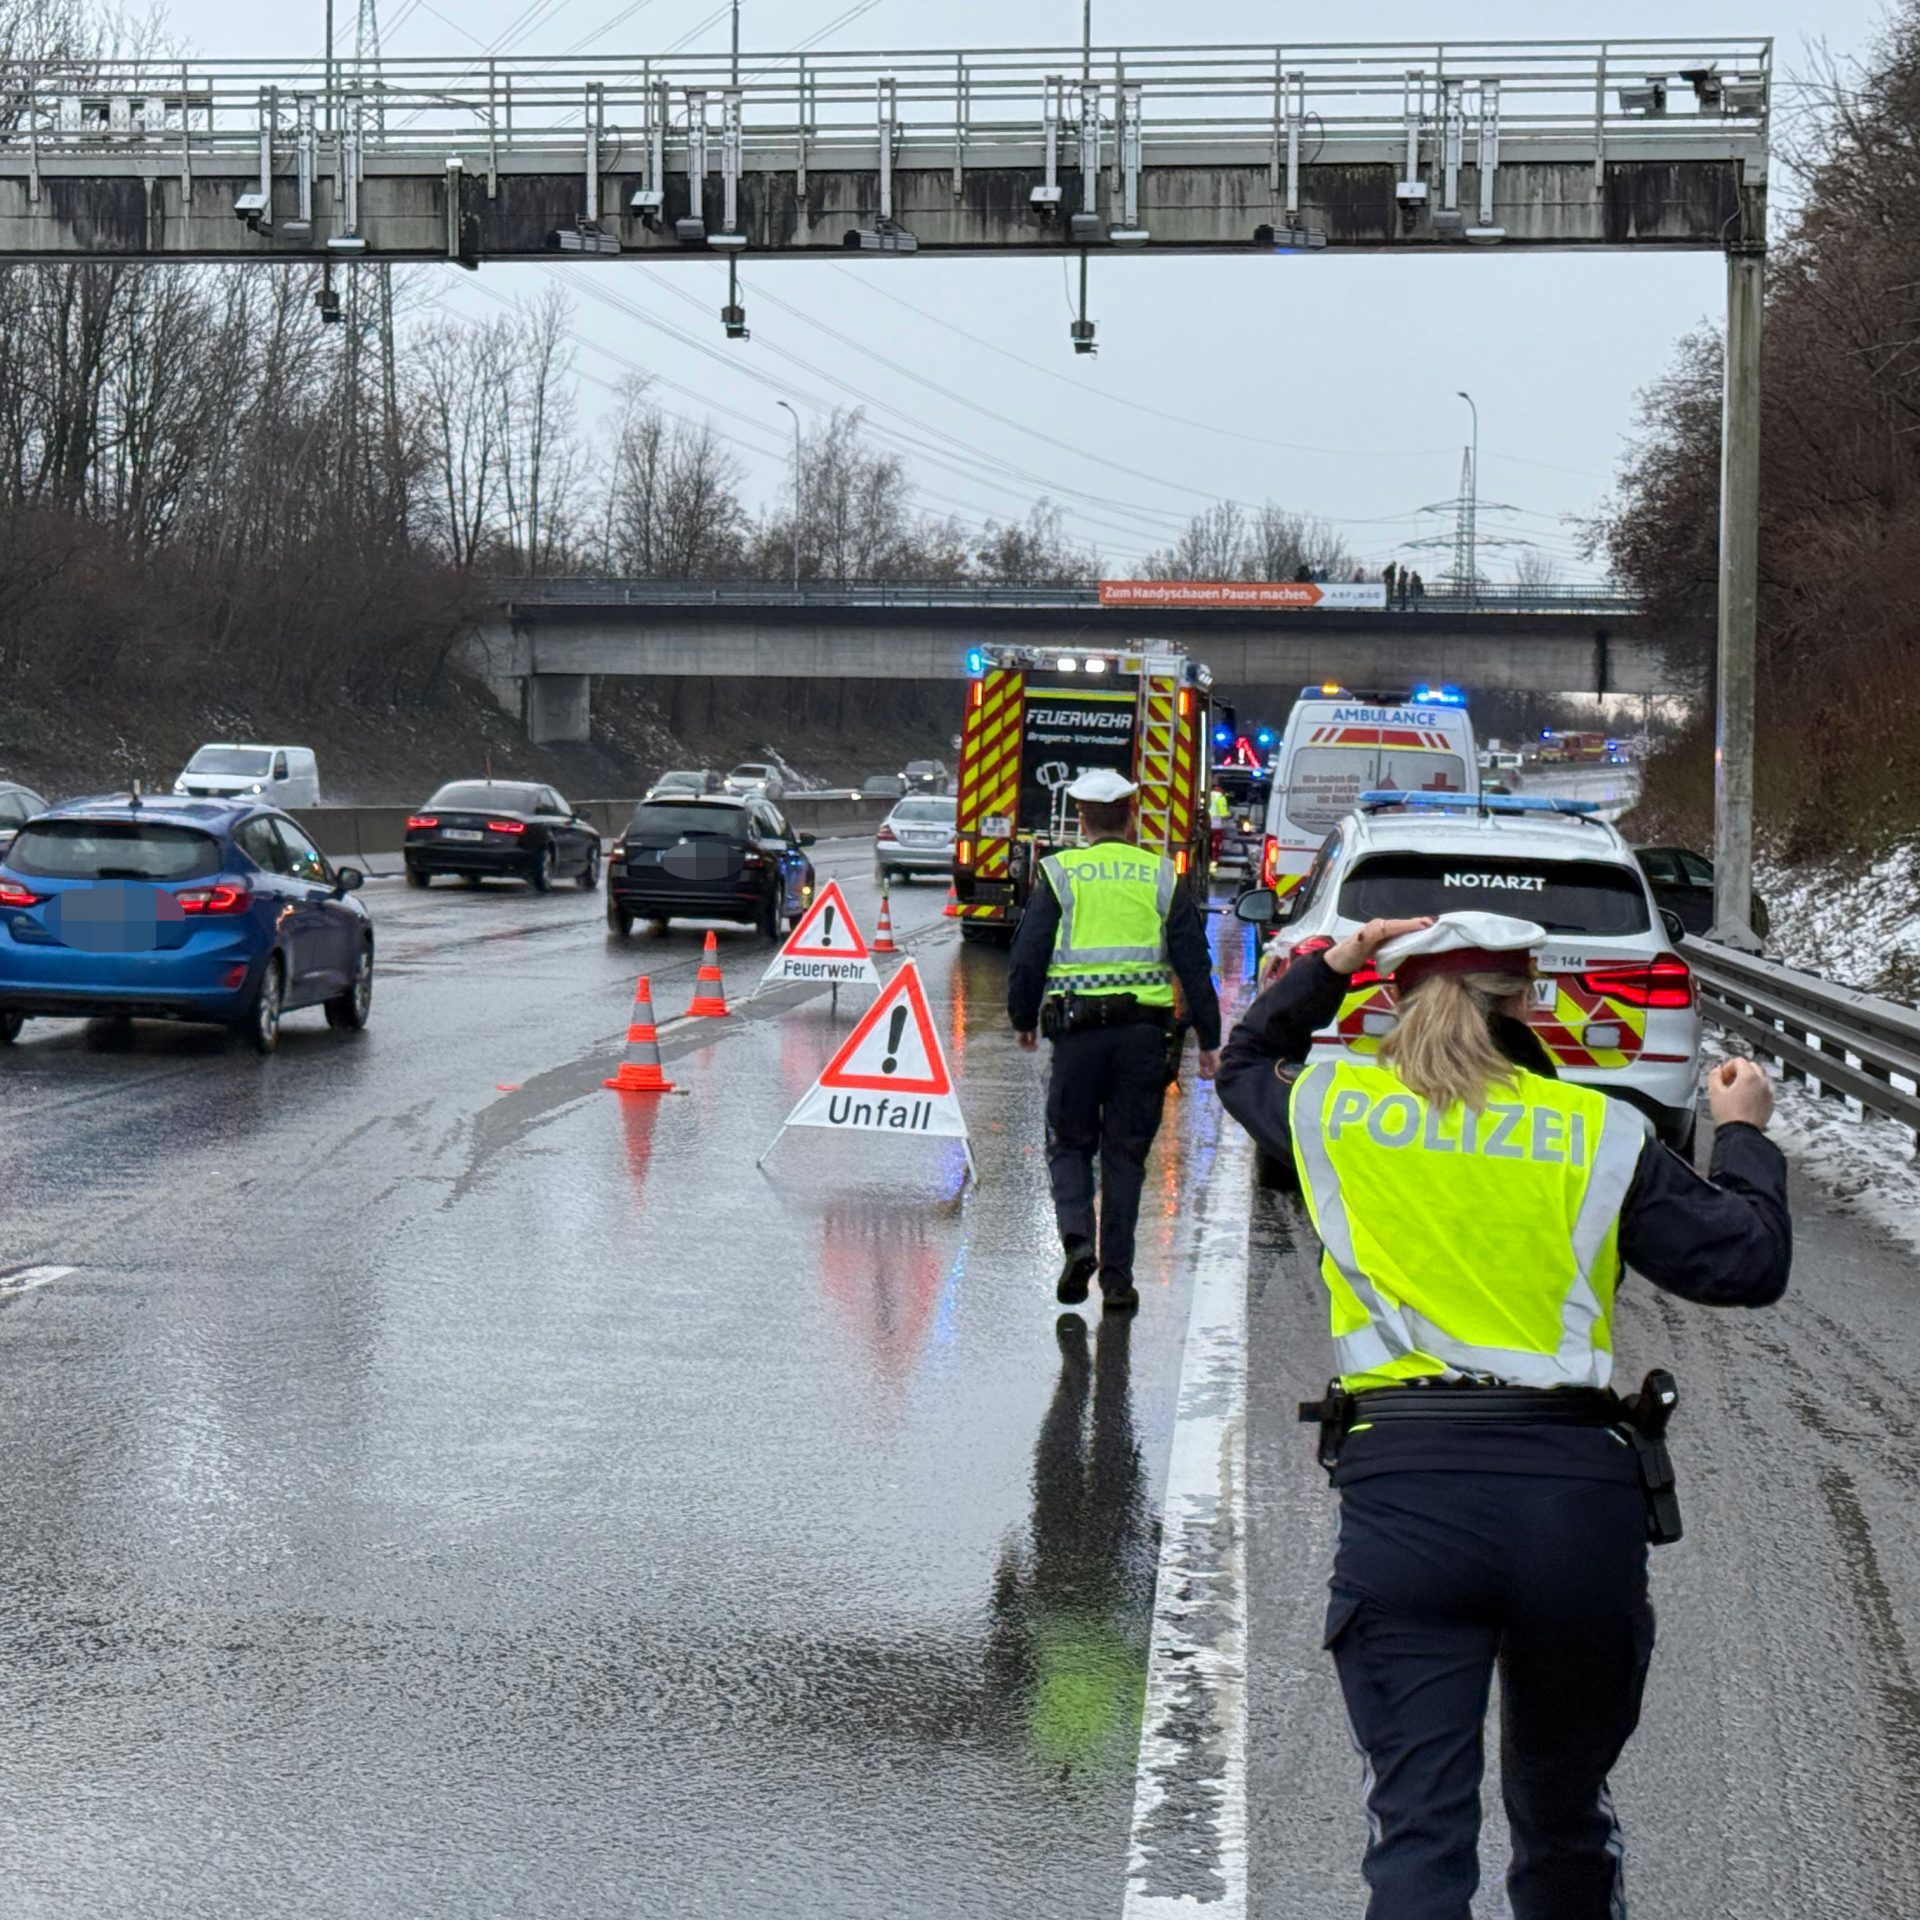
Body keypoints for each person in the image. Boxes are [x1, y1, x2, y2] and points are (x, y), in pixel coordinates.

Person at [1216, 910, 1790, 1920]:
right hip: (1576, 1509)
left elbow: (1245, 1057)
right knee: (1564, 1817)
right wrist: (1742, 1136)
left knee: (1420, 1832)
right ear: (1527, 999)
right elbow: (1745, 1261)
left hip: (1407, 1499)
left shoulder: (1335, 1107)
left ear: (1393, 998)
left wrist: (1333, 962)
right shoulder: (1600, 1131)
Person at [1008, 768, 1222, 1313]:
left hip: (1077, 1036)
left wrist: (1023, 1017)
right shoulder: (1160, 875)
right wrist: (1211, 1038)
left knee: (1070, 1143)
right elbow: (1195, 963)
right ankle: (1118, 1281)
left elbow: (1029, 952)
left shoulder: (1061, 873)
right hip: (1143, 1040)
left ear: (1081, 817)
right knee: (1126, 1156)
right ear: (1131, 816)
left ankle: (1078, 1240)